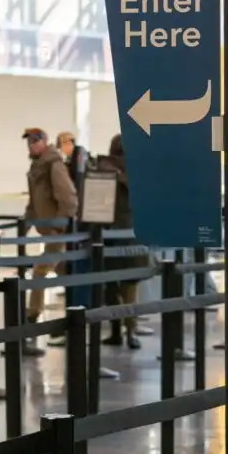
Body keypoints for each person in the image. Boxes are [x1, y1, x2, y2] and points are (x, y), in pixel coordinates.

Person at [22, 128, 78, 339]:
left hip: (58, 233)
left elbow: (69, 198)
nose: (32, 144)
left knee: (40, 271)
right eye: (29, 141)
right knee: (66, 272)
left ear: (44, 142)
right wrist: (24, 226)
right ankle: (80, 314)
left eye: (36, 140)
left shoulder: (54, 165)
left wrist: (58, 227)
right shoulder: (36, 167)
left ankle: (32, 316)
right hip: (49, 230)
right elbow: (33, 203)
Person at [96, 134, 150, 350]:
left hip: (115, 235)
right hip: (124, 235)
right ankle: (127, 332)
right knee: (125, 290)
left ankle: (124, 331)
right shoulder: (136, 172)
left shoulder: (109, 170)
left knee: (118, 289)